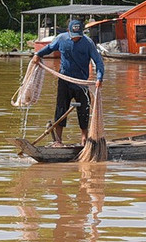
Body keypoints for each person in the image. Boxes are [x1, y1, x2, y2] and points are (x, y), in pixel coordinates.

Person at [35, 19, 104, 147]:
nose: (76, 39)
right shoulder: (61, 39)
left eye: (78, 36)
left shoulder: (88, 43)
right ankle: (58, 141)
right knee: (61, 109)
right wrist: (37, 55)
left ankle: (84, 138)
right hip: (64, 81)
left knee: (84, 110)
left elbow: (98, 62)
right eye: (73, 36)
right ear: (68, 31)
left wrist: (99, 78)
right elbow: (49, 48)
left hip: (81, 82)